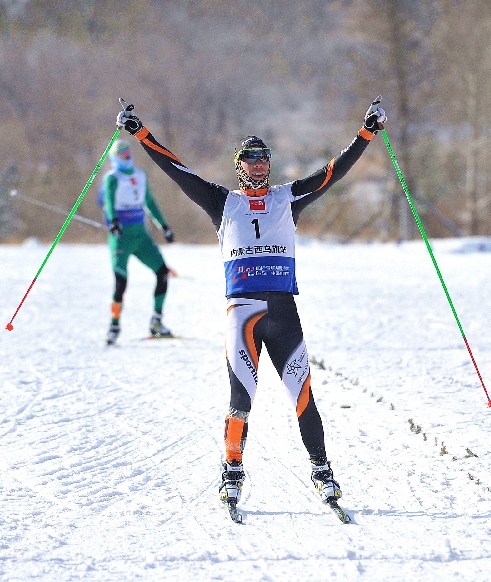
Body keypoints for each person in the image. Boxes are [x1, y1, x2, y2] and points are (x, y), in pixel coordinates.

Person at [115, 96, 387, 515]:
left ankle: (322, 470)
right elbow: (176, 168)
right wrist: (140, 133)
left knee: (303, 397)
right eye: (250, 160)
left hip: (283, 314)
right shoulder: (221, 201)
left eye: (264, 160)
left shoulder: (288, 197)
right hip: (242, 315)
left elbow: (331, 173)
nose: (258, 167)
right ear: (239, 166)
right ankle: (232, 470)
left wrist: (366, 133)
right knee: (241, 398)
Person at [100, 137, 176, 344]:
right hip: (121, 237)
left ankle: (157, 321)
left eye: (128, 150)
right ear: (115, 157)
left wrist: (164, 226)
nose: (126, 154)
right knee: (121, 282)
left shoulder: (140, 175)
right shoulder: (112, 177)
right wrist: (113, 221)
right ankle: (114, 325)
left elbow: (149, 202)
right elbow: (108, 201)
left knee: (162, 273)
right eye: (121, 152)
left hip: (141, 236)